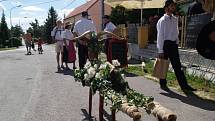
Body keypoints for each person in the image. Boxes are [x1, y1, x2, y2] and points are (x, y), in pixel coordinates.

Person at [156, 0, 196, 91]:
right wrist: (160, 50)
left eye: (174, 5)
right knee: (163, 65)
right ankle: (163, 84)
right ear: (166, 8)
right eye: (171, 6)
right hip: (165, 44)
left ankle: (184, 86)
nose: (173, 7)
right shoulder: (162, 20)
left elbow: (176, 31)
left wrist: (177, 42)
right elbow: (160, 36)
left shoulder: (175, 19)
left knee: (177, 66)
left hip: (173, 44)